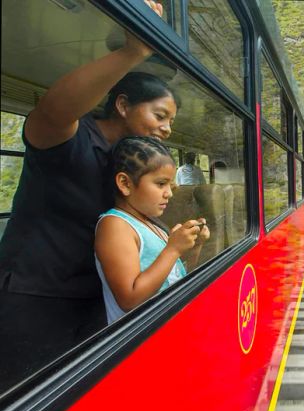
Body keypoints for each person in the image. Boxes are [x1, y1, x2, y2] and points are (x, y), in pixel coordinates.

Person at [0, 0, 174, 390]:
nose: (166, 129)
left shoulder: (125, 162)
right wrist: (132, 52)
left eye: (171, 122)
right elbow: (52, 111)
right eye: (159, 116)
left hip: (91, 295)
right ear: (123, 104)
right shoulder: (70, 140)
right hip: (36, 296)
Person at [95, 137, 209, 324]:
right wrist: (173, 249)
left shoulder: (153, 225)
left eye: (170, 185)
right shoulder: (115, 226)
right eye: (161, 184)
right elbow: (129, 299)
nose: (169, 193)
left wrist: (194, 246)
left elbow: (175, 277)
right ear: (125, 183)